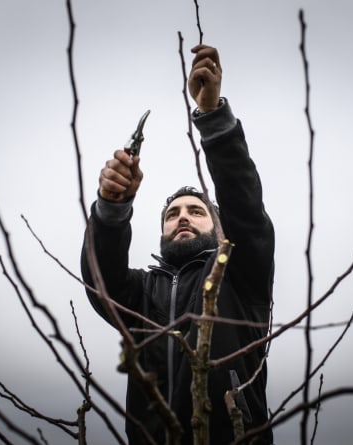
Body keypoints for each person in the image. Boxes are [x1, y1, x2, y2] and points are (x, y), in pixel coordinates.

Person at [81, 44, 274, 444]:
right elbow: (102, 278)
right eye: (172, 215)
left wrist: (213, 117)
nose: (183, 216)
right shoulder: (141, 295)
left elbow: (245, 208)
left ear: (221, 230)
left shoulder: (241, 277)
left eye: (196, 211)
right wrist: (112, 207)